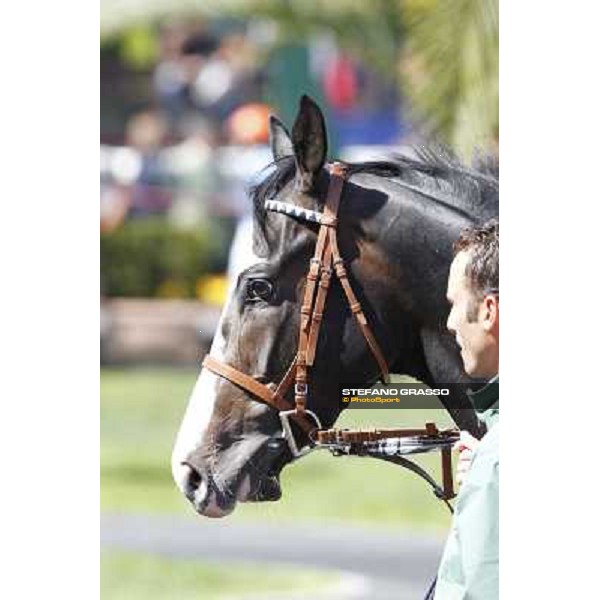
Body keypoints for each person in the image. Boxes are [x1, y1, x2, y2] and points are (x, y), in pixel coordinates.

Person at [432, 219, 499, 600]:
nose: (450, 323)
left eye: (455, 304)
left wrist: (491, 473)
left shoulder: (496, 462)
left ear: (488, 310)